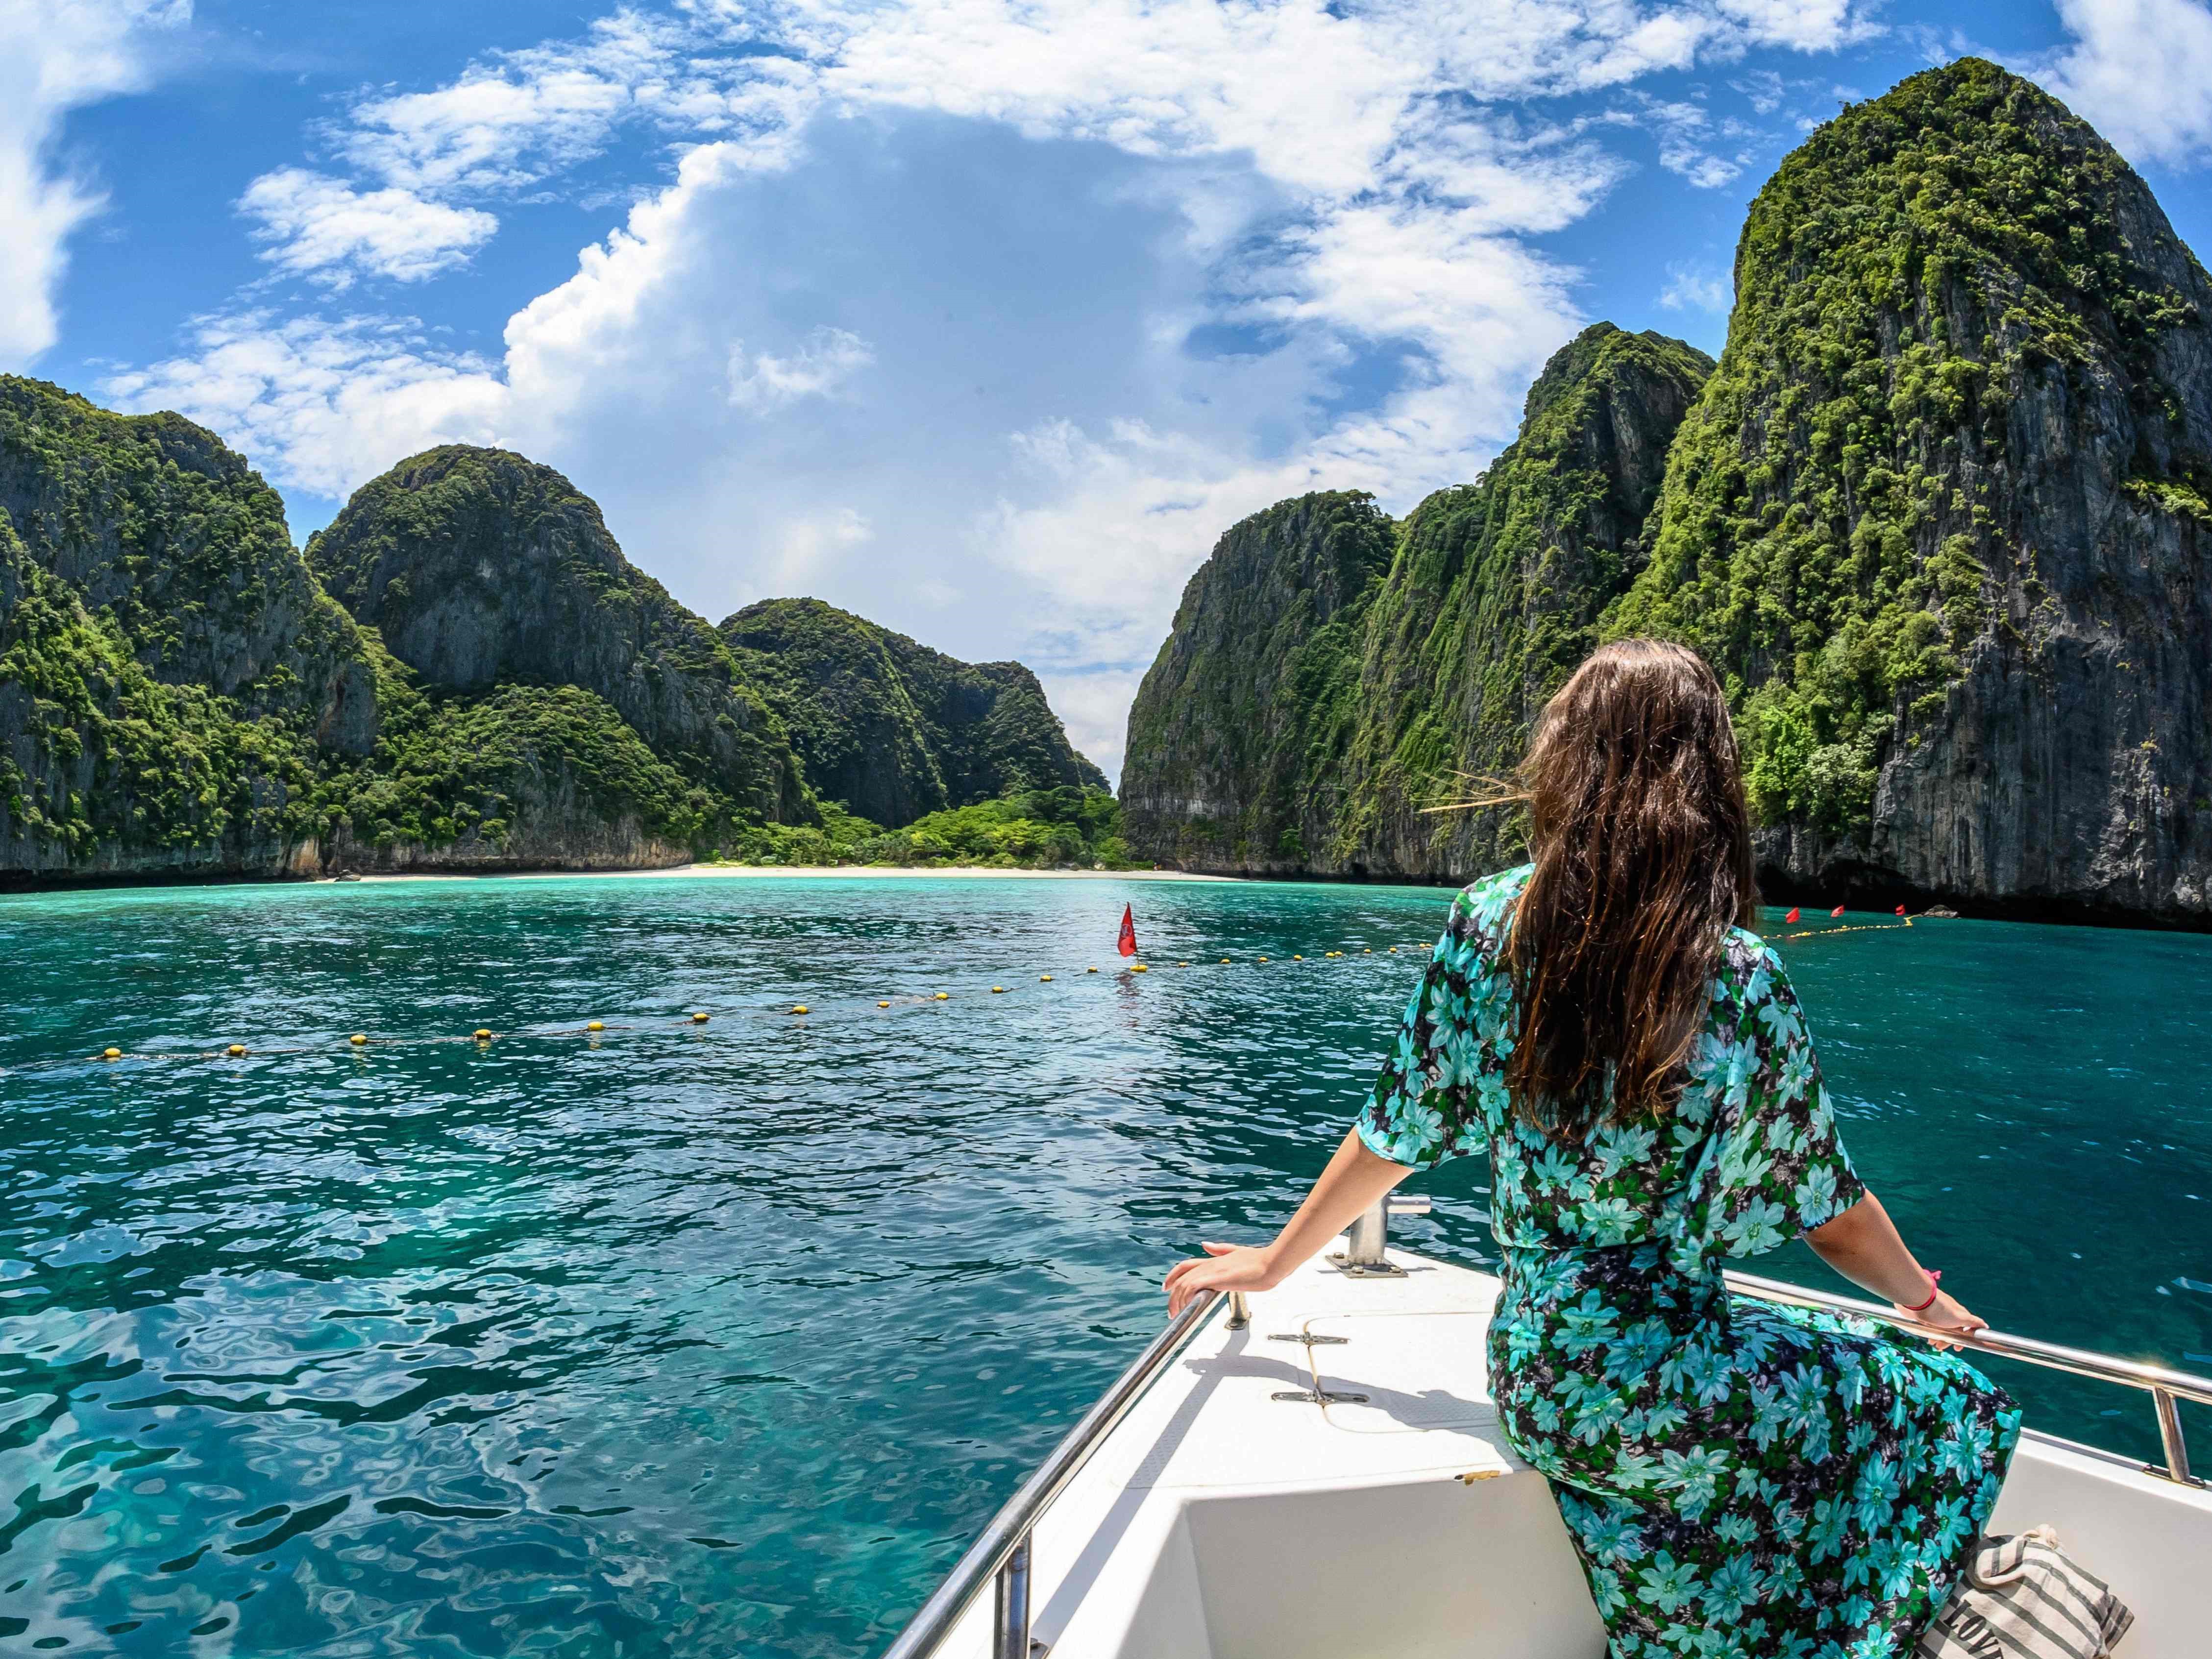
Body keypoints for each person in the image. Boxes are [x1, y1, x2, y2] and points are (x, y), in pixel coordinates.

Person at [1166, 639, 2021, 1658]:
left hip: (1540, 1378)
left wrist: (1272, 1260)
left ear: (1571, 759)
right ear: (1706, 780)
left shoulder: (1494, 922)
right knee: (1947, 1398)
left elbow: (1395, 1130)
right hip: (1676, 1368)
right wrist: (1926, 1305)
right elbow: (1824, 1208)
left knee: (1730, 1473)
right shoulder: (1739, 976)